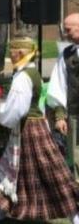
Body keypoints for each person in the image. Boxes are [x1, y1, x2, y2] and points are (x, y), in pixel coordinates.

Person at [0, 37, 79, 224]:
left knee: (51, 171)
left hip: (29, 129)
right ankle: (4, 210)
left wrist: (1, 113)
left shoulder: (24, 77)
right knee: (15, 171)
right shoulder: (28, 72)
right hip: (28, 128)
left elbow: (18, 109)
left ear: (20, 53)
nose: (10, 55)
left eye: (12, 51)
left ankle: (75, 216)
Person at [48, 13, 79, 179]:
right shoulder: (66, 54)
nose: (65, 34)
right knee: (76, 157)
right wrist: (60, 116)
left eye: (68, 30)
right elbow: (57, 86)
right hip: (75, 115)